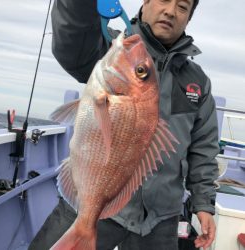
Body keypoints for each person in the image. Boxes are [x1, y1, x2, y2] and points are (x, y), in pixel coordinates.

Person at [29, 0, 219, 249]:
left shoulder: (197, 82)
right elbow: (71, 39)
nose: (171, 11)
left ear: (188, 18)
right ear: (146, 2)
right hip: (92, 195)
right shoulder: (110, 48)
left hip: (161, 216)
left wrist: (203, 204)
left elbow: (203, 148)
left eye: (182, 7)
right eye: (163, 0)